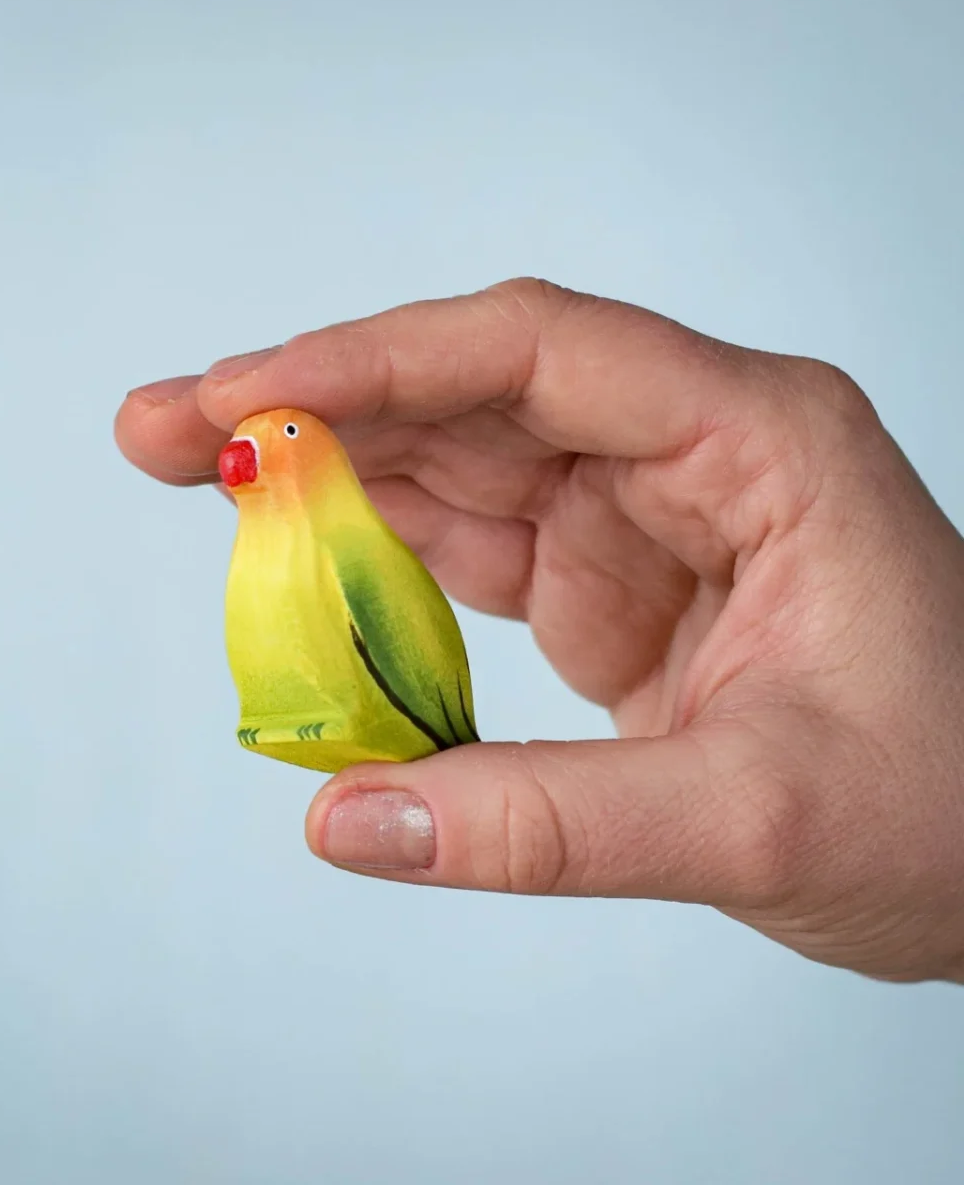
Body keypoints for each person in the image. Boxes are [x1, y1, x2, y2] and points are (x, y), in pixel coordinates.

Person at [114, 277, 964, 984]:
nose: (250, 457)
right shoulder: (266, 536)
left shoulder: (359, 553)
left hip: (392, 716)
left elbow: (370, 642)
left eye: (282, 434)